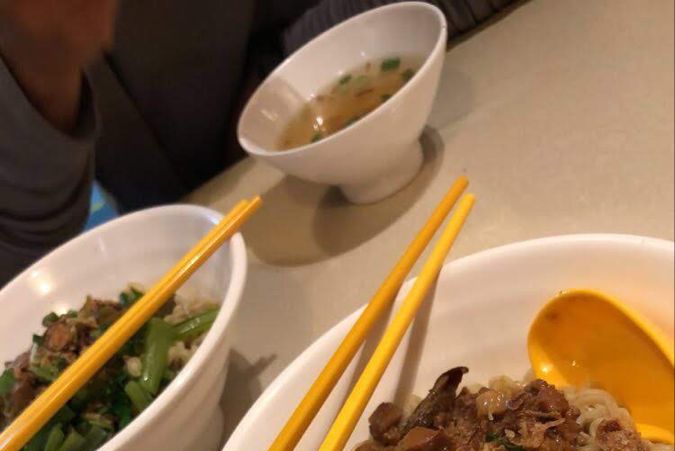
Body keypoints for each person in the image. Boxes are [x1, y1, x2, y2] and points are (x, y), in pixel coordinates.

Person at [0, 0, 510, 285]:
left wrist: (276, 90)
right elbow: (23, 276)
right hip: (204, 265)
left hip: (467, 115)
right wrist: (41, 76)